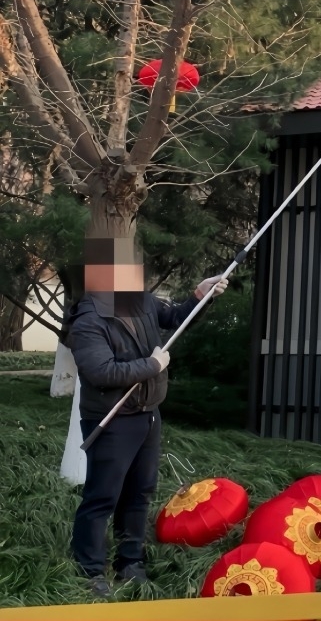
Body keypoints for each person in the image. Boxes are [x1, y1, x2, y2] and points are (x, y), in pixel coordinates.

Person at [65, 236, 228, 597]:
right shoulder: (88, 319)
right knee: (103, 496)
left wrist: (200, 297)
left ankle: (130, 562)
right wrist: (150, 366)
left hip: (147, 415)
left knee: (139, 493)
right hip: (112, 419)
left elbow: (175, 319)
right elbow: (102, 372)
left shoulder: (139, 302)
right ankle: (90, 570)